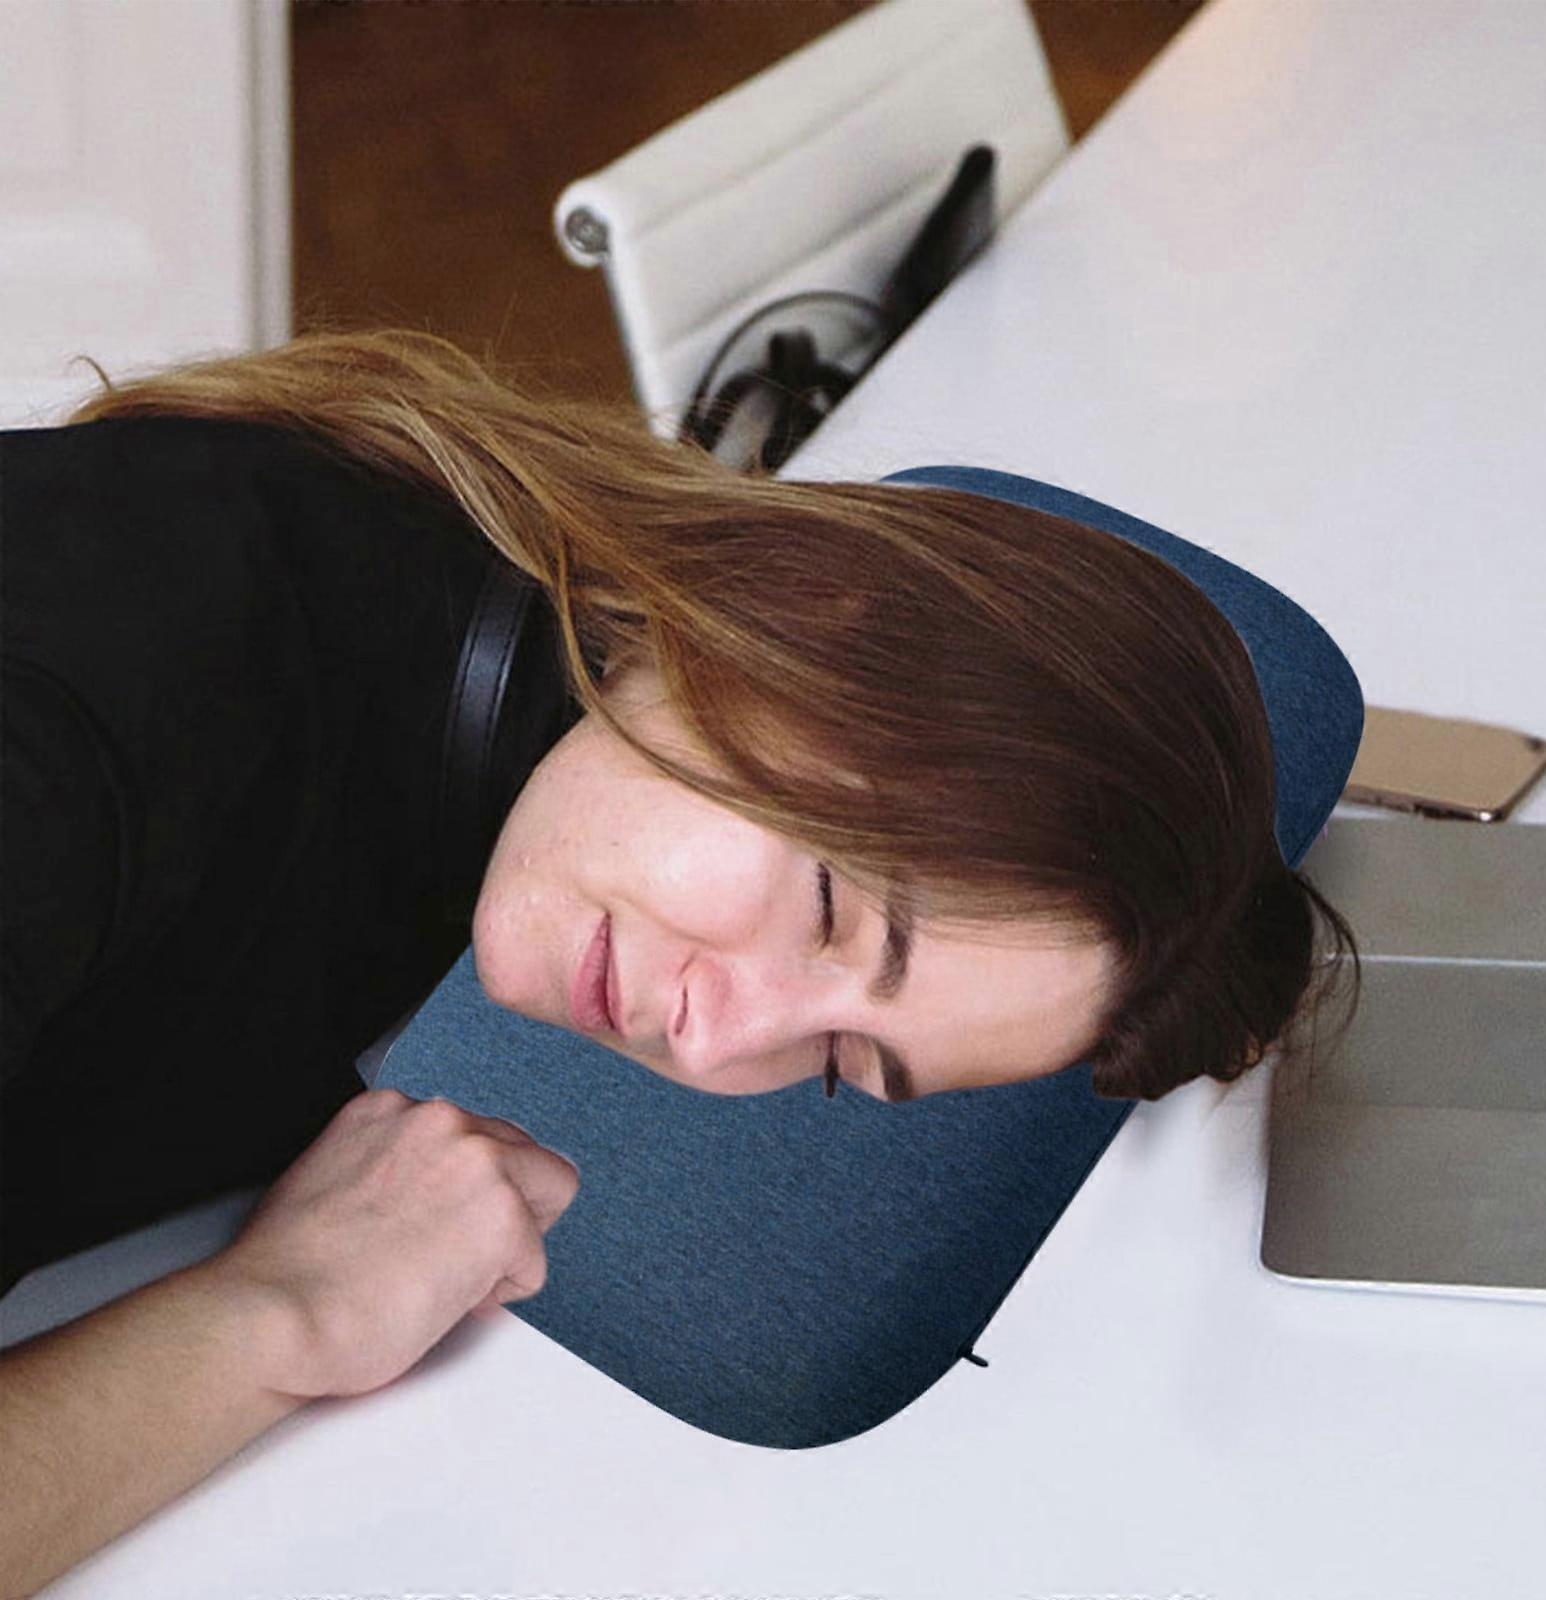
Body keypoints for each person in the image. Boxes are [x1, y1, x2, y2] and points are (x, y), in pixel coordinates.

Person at [0, 327, 1358, 1593]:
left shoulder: (480, 675)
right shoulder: (81, 741)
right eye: (830, 909)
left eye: (837, 1060)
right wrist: (278, 1315)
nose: (716, 1042)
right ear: (807, 617)